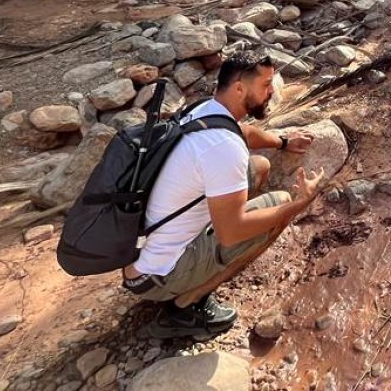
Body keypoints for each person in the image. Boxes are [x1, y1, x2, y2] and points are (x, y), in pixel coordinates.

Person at [121, 51, 324, 339]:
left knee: (259, 166)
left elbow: (248, 134)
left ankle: (200, 262)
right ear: (240, 87)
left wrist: (284, 141)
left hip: (142, 250)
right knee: (281, 205)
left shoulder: (205, 109)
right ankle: (186, 306)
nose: (271, 92)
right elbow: (232, 233)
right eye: (266, 85)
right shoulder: (224, 148)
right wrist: (301, 204)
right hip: (157, 276)